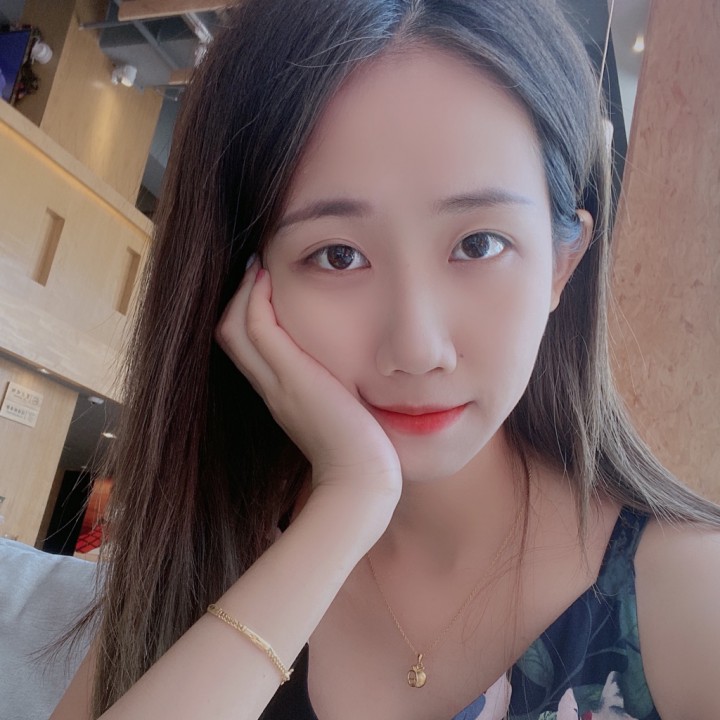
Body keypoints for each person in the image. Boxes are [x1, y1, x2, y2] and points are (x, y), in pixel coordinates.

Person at [50, 0, 720, 718]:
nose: (416, 348)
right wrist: (349, 503)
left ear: (563, 264)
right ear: (246, 283)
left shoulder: (688, 595)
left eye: (479, 244)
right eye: (337, 255)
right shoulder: (202, 555)